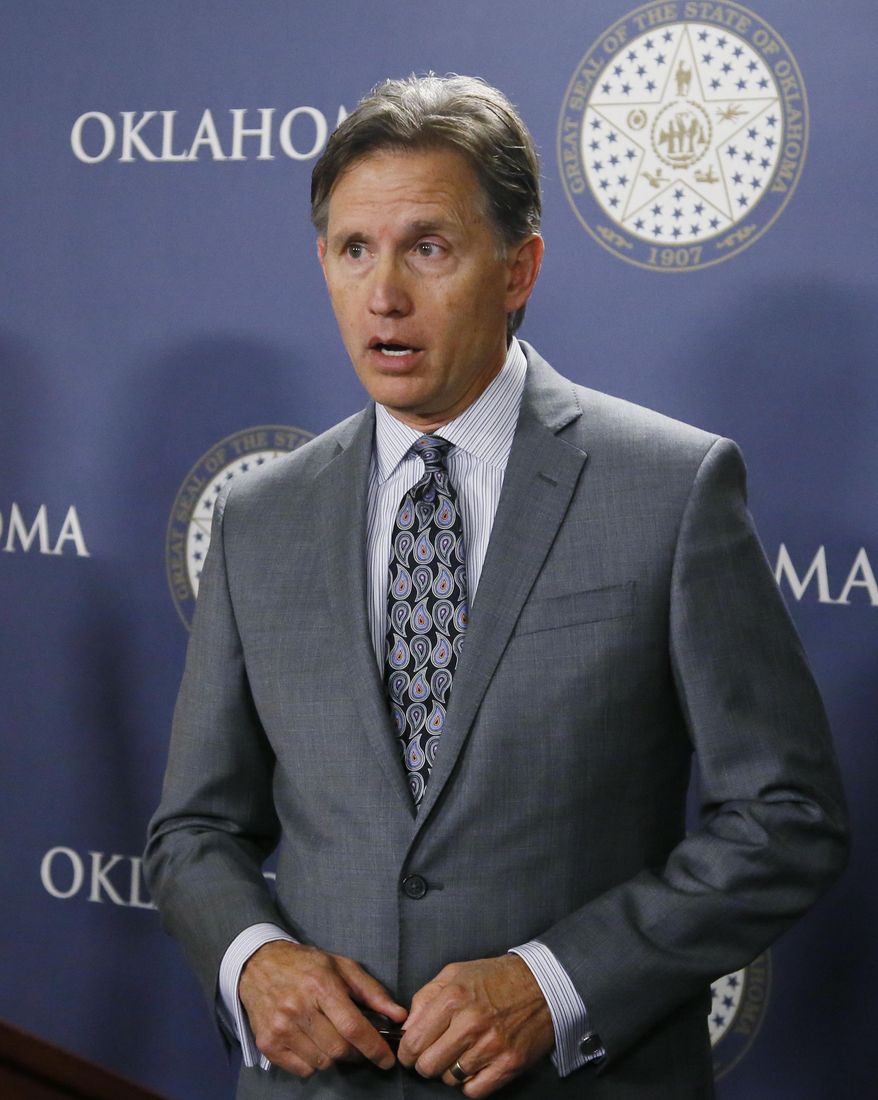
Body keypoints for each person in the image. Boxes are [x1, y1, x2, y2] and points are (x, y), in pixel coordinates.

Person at [144, 74, 848, 1099]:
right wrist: (253, 956)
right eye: (353, 250)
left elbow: (784, 815)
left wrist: (556, 981)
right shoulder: (259, 516)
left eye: (426, 247)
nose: (383, 293)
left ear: (518, 267)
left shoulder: (669, 487)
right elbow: (194, 829)